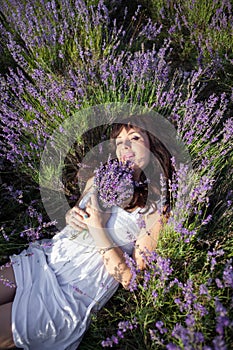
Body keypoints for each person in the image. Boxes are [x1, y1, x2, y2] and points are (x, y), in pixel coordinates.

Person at [0, 116, 173, 349]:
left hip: (70, 294)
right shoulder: (99, 177)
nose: (125, 146)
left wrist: (98, 228)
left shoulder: (154, 208)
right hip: (46, 261)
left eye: (134, 138)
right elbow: (75, 217)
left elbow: (130, 279)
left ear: (153, 145)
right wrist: (71, 215)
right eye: (119, 140)